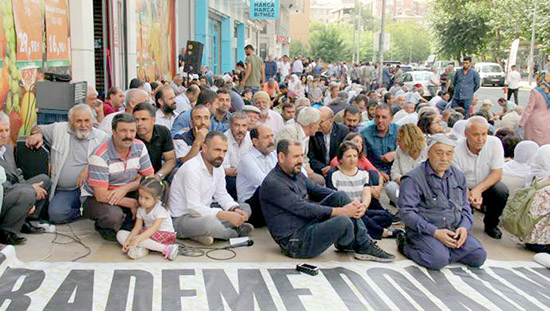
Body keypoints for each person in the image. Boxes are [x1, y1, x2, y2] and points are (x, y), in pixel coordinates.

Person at [260, 139, 395, 261]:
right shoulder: (274, 183)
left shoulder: (296, 173)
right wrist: (342, 211)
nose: (300, 160)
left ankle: (362, 243)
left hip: (307, 225)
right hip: (295, 242)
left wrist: (351, 203)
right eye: (296, 156)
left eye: (301, 155)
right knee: (343, 220)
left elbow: (318, 190)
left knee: (340, 195)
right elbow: (304, 209)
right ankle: (360, 243)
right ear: (281, 157)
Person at [396, 134, 487, 269]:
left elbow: (465, 206)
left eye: (449, 154)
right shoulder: (413, 178)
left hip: (453, 230)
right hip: (426, 231)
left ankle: (444, 251)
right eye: (439, 153)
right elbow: (407, 213)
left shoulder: (458, 175)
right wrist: (435, 233)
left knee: (479, 256)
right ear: (428, 153)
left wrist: (464, 227)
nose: (444, 158)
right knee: (438, 261)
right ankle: (406, 245)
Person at [25, 104, 108, 224]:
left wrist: (90, 167)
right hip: (66, 190)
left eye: (87, 121)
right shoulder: (59, 130)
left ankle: (85, 210)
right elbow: (38, 128)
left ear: (92, 121)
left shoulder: (102, 137)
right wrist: (37, 134)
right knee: (56, 215)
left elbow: (110, 159)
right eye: (78, 121)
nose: (83, 125)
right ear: (70, 122)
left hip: (90, 190)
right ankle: (81, 213)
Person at [169, 131, 253, 245]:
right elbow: (194, 208)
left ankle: (205, 235)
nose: (221, 155)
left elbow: (221, 194)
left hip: (205, 211)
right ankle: (232, 233)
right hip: (182, 218)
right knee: (209, 224)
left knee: (245, 207)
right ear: (204, 148)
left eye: (224, 151)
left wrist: (234, 209)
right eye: (217, 150)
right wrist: (225, 215)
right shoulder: (191, 170)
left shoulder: (217, 166)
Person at [82, 113, 155, 241]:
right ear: (114, 132)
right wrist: (132, 203)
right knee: (113, 216)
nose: (128, 135)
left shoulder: (139, 146)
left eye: (132, 131)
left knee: (157, 193)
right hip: (97, 198)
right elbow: (101, 195)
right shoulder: (100, 156)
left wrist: (126, 188)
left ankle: (129, 224)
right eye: (123, 131)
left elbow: (150, 178)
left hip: (126, 191)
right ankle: (104, 227)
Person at [452, 116, 509, 239]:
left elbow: (496, 173)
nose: (480, 139)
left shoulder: (494, 143)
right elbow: (456, 178)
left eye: (484, 134)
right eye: (476, 135)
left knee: (501, 190)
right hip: (461, 187)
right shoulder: (456, 149)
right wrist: (469, 194)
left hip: (485, 186)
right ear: (466, 134)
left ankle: (491, 224)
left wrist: (478, 190)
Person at [0, 113, 51, 245]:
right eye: (0, 131)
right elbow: (3, 187)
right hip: (3, 194)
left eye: (7, 130)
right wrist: (29, 188)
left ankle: (24, 221)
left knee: (44, 180)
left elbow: (16, 174)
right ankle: (6, 231)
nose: (4, 134)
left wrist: (27, 186)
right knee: (28, 193)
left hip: (13, 189)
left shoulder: (6, 148)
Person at [327, 142, 394, 240]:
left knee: (387, 217)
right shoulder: (333, 174)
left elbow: (366, 192)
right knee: (355, 217)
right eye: (348, 156)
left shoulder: (364, 174)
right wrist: (351, 210)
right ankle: (383, 232)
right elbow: (334, 198)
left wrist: (364, 206)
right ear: (340, 158)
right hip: (344, 211)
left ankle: (357, 228)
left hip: (361, 209)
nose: (352, 159)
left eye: (355, 156)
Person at [116, 177, 179, 260]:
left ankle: (166, 249)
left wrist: (137, 239)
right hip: (147, 233)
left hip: (162, 234)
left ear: (157, 198)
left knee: (138, 239)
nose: (142, 201)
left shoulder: (160, 209)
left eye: (146, 198)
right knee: (120, 234)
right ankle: (141, 248)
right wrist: (128, 240)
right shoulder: (141, 209)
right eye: (140, 197)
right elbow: (137, 227)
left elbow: (153, 229)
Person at [237, 125, 277, 227]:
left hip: (269, 202)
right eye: (266, 137)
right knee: (267, 188)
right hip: (251, 206)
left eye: (272, 136)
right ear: (255, 141)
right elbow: (265, 183)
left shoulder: (274, 154)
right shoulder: (247, 159)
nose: (271, 140)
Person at [276, 107, 323, 184]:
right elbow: (287, 158)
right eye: (318, 124)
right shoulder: (288, 132)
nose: (318, 127)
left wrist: (308, 168)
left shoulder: (306, 136)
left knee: (320, 180)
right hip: (287, 173)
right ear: (312, 125)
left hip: (300, 170)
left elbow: (304, 157)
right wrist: (305, 170)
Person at [384, 124, 427, 205]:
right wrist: (405, 181)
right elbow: (394, 172)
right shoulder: (399, 150)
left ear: (408, 140)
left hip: (423, 189)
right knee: (391, 187)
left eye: (400, 140)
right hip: (405, 186)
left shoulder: (427, 151)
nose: (397, 143)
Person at [133, 103, 176, 180]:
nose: (139, 124)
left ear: (153, 120)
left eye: (144, 119)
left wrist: (158, 176)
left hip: (158, 174)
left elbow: (170, 159)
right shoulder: (131, 137)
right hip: (136, 179)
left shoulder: (163, 132)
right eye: (136, 120)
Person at [361, 104, 398, 181]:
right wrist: (377, 172)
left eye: (384, 117)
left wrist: (396, 153)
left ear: (391, 118)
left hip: (396, 172)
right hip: (373, 173)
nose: (380, 120)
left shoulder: (399, 131)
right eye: (377, 117)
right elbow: (362, 159)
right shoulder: (365, 134)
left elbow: (410, 151)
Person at [309, 107, 349, 176]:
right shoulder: (313, 133)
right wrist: (323, 168)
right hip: (319, 170)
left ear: (331, 121)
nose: (318, 125)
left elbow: (345, 154)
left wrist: (333, 167)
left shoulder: (343, 131)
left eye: (321, 122)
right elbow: (311, 156)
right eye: (316, 122)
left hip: (339, 170)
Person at [223, 112, 253, 199]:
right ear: (230, 126)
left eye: (244, 126)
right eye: (237, 125)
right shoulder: (224, 139)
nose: (241, 129)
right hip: (231, 179)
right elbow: (227, 171)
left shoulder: (250, 137)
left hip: (247, 177)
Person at [519, 73, 550, 146]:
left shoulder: (535, 91)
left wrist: (522, 123)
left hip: (534, 122)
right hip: (547, 122)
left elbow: (529, 108)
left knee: (532, 145)